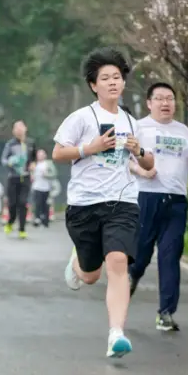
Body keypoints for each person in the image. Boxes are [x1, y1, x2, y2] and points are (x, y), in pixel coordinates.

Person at [53, 47, 156, 358]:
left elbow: (150, 165)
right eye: (106, 78)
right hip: (84, 204)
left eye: (117, 77)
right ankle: (78, 261)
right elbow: (59, 153)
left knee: (118, 262)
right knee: (90, 275)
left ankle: (116, 334)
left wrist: (139, 152)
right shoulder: (81, 117)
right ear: (93, 85)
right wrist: (91, 147)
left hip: (122, 201)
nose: (113, 82)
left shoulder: (131, 121)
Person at [128, 82, 188, 332]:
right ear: (149, 103)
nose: (165, 103)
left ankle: (166, 313)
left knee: (170, 256)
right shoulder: (138, 127)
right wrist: (141, 170)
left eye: (170, 98)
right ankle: (132, 276)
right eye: (159, 98)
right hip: (146, 197)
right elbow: (125, 162)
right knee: (141, 254)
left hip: (176, 200)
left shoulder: (182, 130)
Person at [0, 120, 36, 238]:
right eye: (16, 128)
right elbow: (3, 160)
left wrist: (33, 165)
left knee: (23, 202)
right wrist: (10, 162)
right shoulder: (10, 144)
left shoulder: (30, 143)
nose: (19, 130)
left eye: (21, 127)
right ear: (13, 131)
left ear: (25, 128)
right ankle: (10, 221)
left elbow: (34, 159)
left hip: (25, 177)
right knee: (12, 204)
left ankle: (22, 228)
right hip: (13, 177)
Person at [30, 148, 56, 228]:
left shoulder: (48, 163)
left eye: (42, 154)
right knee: (37, 203)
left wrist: (46, 175)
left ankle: (45, 220)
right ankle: (37, 219)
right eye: (39, 154)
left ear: (45, 155)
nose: (40, 156)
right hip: (36, 186)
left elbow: (54, 173)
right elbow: (30, 173)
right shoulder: (34, 164)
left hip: (46, 187)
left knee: (45, 204)